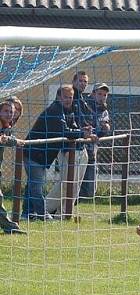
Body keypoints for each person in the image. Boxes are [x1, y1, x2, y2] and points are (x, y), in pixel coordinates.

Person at [22, 85, 92, 220]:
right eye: (65, 97)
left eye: (71, 97)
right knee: (37, 186)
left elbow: (71, 127)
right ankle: (42, 215)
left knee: (32, 184)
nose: (68, 100)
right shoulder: (55, 110)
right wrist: (81, 133)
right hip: (34, 152)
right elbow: (63, 131)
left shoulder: (68, 110)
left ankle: (27, 213)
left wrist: (83, 130)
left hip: (42, 154)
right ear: (58, 97)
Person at [45, 73, 97, 216]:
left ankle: (65, 212)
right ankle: (43, 208)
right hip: (69, 148)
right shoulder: (66, 103)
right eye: (79, 81)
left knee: (76, 184)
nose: (82, 83)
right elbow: (65, 129)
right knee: (66, 182)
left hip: (82, 146)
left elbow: (83, 122)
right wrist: (79, 135)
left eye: (85, 81)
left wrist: (88, 130)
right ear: (73, 81)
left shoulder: (82, 100)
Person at [79, 83, 112, 201]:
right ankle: (65, 207)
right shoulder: (84, 105)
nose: (102, 97)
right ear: (93, 94)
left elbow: (102, 128)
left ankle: (74, 202)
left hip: (92, 149)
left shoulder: (104, 110)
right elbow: (82, 124)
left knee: (90, 188)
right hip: (80, 147)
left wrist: (105, 129)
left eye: (105, 95)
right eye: (99, 94)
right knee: (76, 180)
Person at [0, 97, 25, 233]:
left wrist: (10, 140)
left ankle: (9, 226)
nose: (10, 114)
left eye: (13, 111)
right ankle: (9, 227)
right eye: (6, 111)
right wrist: (12, 141)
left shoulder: (6, 127)